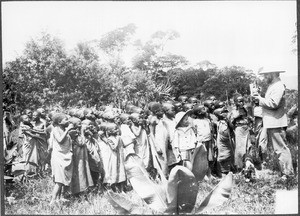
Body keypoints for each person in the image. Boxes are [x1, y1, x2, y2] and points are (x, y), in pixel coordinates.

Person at [252, 69, 294, 178]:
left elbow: (273, 103)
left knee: (281, 148)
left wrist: (259, 99)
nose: (265, 78)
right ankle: (284, 172)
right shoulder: (273, 85)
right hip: (272, 122)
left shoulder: (278, 86)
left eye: (266, 75)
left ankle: (288, 174)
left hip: (276, 122)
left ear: (273, 74)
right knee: (278, 149)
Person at [49, 113, 74, 205]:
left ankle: (58, 199)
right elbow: (60, 140)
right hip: (58, 157)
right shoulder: (56, 129)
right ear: (59, 122)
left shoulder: (63, 129)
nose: (68, 121)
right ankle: (52, 201)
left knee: (62, 179)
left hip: (65, 156)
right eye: (66, 119)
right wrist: (68, 130)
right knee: (59, 180)